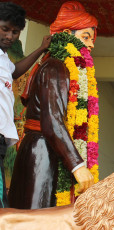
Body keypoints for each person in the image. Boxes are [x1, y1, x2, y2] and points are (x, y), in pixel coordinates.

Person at [8, 1, 98, 209]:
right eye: (85, 37)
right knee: (36, 218)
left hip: (46, 149)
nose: (91, 45)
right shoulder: (55, 68)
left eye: (92, 39)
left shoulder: (58, 65)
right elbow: (52, 121)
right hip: (41, 151)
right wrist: (77, 166)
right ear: (66, 34)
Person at [0, 2, 51, 208]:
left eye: (15, 32)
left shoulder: (3, 58)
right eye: (5, 29)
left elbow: (14, 72)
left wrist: (41, 49)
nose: (10, 36)